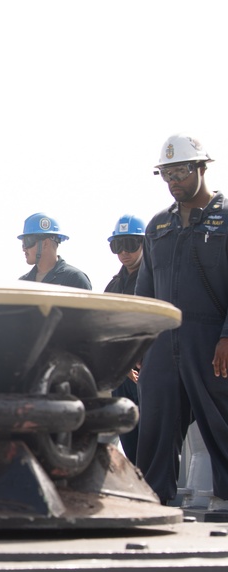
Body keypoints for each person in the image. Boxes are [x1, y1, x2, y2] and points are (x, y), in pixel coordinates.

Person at [135, 133, 228, 510]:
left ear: (201, 168)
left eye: (181, 172)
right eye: (167, 175)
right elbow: (145, 292)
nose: (174, 182)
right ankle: (154, 499)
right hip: (163, 340)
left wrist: (227, 336)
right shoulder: (158, 226)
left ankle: (225, 498)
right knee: (155, 421)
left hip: (211, 339)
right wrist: (137, 340)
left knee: (220, 419)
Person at [103, 215, 146, 464]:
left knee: (154, 434)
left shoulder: (155, 282)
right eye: (117, 246)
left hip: (150, 371)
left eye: (130, 244)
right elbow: (106, 330)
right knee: (128, 433)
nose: (124, 252)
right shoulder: (114, 286)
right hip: (123, 374)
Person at [17, 213, 92, 289]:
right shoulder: (23, 283)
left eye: (27, 242)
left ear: (45, 243)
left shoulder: (74, 280)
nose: (24, 249)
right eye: (23, 244)